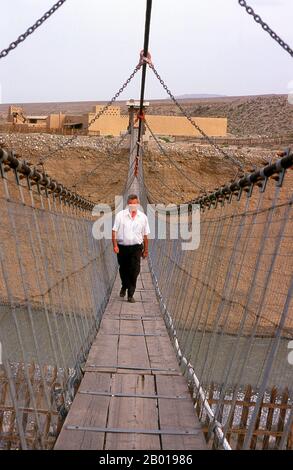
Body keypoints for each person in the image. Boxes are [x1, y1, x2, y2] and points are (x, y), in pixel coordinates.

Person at [112, 194, 150, 303]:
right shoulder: (120, 216)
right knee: (123, 270)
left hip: (136, 248)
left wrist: (146, 250)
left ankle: (130, 294)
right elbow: (114, 231)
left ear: (138, 204)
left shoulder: (143, 217)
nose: (133, 206)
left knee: (135, 270)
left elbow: (146, 235)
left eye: (135, 204)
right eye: (131, 204)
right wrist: (114, 245)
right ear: (128, 204)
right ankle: (124, 286)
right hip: (122, 248)